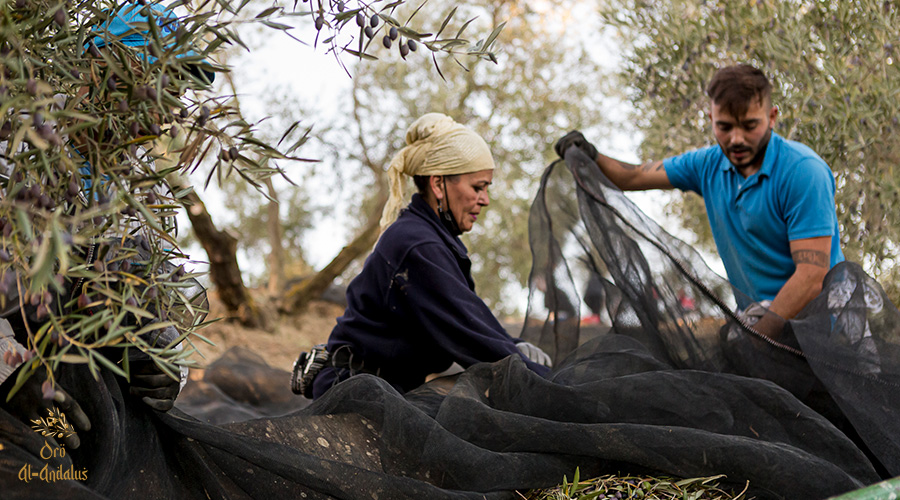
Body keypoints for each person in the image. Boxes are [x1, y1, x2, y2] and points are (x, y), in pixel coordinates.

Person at [555, 64, 844, 339]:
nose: (736, 139)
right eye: (725, 127)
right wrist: (590, 156)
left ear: (772, 117)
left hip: (827, 329)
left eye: (749, 125)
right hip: (764, 322)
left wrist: (760, 339)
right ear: (711, 120)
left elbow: (811, 277)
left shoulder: (803, 171)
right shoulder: (706, 165)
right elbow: (632, 177)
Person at [303, 113, 551, 399]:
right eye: (477, 187)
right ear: (438, 185)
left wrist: (514, 345)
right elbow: (468, 335)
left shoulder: (432, 240)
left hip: (388, 388)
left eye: (486, 189)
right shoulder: (417, 246)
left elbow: (469, 316)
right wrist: (548, 383)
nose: (485, 200)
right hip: (356, 391)